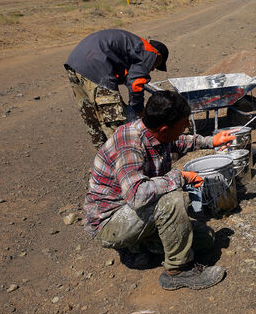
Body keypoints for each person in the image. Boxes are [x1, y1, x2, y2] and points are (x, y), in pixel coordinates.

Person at [84, 90, 236, 290]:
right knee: (172, 200)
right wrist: (179, 177)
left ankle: (140, 246)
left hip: (138, 214)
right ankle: (178, 271)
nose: (186, 129)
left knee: (205, 239)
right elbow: (137, 195)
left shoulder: (156, 133)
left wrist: (211, 141)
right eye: (183, 125)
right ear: (164, 129)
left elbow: (180, 142)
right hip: (111, 222)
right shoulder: (130, 144)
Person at [65, 29, 169, 148]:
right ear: (159, 57)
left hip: (75, 63)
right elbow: (136, 84)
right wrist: (138, 111)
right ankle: (124, 158)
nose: (153, 69)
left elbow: (128, 75)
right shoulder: (151, 53)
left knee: (93, 118)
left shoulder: (134, 45)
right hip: (97, 65)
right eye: (156, 65)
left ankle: (104, 159)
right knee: (114, 120)